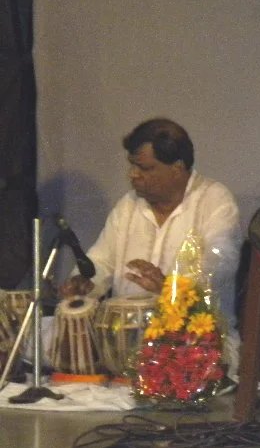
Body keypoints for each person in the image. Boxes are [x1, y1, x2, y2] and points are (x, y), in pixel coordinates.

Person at [60, 118, 243, 379]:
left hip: (195, 341)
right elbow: (100, 260)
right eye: (132, 165)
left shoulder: (214, 200)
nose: (133, 174)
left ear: (177, 168)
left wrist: (169, 287)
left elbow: (220, 263)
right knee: (45, 333)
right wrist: (84, 282)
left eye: (144, 167)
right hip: (123, 343)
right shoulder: (128, 206)